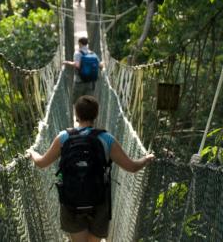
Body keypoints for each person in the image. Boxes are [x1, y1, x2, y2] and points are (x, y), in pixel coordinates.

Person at [28, 95, 155, 242]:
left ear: (76, 114)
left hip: (71, 201)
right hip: (98, 201)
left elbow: (42, 163)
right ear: (96, 114)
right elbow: (132, 167)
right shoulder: (107, 138)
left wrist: (32, 153)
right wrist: (146, 159)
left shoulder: (63, 137)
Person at [63, 37, 103, 104]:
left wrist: (66, 62)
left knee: (77, 103)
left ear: (79, 43)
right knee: (88, 103)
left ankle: (78, 114)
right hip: (90, 82)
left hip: (79, 82)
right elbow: (100, 65)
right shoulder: (92, 53)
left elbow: (77, 65)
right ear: (87, 43)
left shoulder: (78, 53)